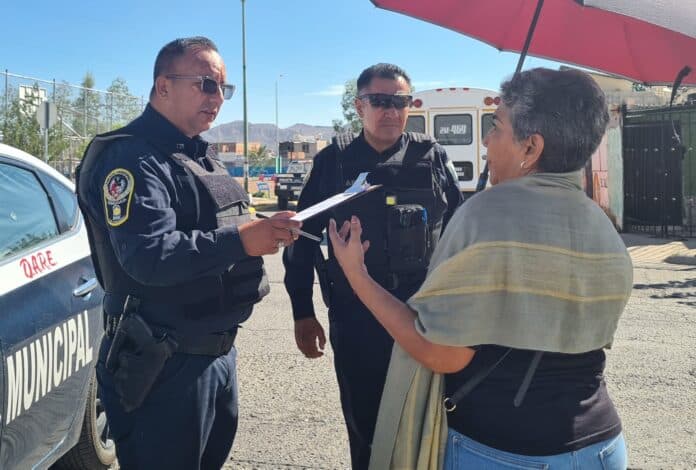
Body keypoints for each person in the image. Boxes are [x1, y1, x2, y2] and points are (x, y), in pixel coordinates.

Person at [327, 68, 633, 470]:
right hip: (604, 447)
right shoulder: (602, 224)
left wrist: (357, 275)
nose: (487, 140)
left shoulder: (485, 216)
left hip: (505, 452)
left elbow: (440, 353)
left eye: (497, 127)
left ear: (531, 147)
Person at [75, 36, 301, 469]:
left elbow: (218, 221)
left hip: (213, 354)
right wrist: (243, 241)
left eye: (224, 89)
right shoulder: (131, 158)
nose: (218, 99)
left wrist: (264, 228)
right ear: (163, 86)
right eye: (206, 84)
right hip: (162, 363)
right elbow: (149, 256)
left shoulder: (198, 154)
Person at [283, 63, 463, 469]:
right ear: (359, 106)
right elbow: (302, 241)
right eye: (380, 101)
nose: (391, 111)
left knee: (425, 424)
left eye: (401, 101)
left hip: (422, 315)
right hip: (356, 319)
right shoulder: (334, 161)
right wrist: (302, 313)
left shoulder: (432, 156)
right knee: (365, 425)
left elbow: (459, 233)